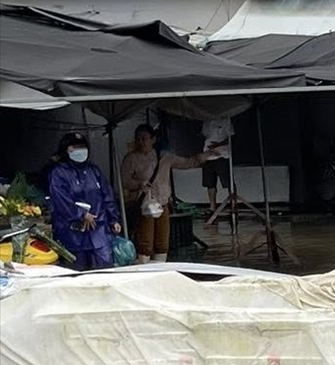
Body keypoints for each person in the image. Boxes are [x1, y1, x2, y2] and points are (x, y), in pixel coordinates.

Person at [120, 124, 208, 264]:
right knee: (145, 244)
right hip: (144, 206)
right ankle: (143, 268)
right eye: (139, 139)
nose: (141, 142)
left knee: (162, 243)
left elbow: (188, 162)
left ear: (153, 139)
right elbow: (124, 182)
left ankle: (160, 267)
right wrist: (139, 184)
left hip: (162, 204)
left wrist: (206, 155)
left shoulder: (164, 157)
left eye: (144, 138)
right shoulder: (131, 158)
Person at [47, 131, 122, 271]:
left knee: (105, 271)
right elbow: (61, 200)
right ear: (66, 150)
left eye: (82, 147)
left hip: (98, 231)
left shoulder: (94, 170)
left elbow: (107, 195)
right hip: (72, 234)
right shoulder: (59, 173)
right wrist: (81, 214)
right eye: (74, 147)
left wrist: (114, 219)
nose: (80, 151)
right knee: (77, 274)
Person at [201, 115, 234, 208]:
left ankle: (233, 204)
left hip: (222, 155)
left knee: (228, 182)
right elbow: (205, 135)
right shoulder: (206, 120)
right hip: (208, 155)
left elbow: (230, 138)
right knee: (209, 183)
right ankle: (212, 206)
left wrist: (217, 145)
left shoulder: (226, 119)